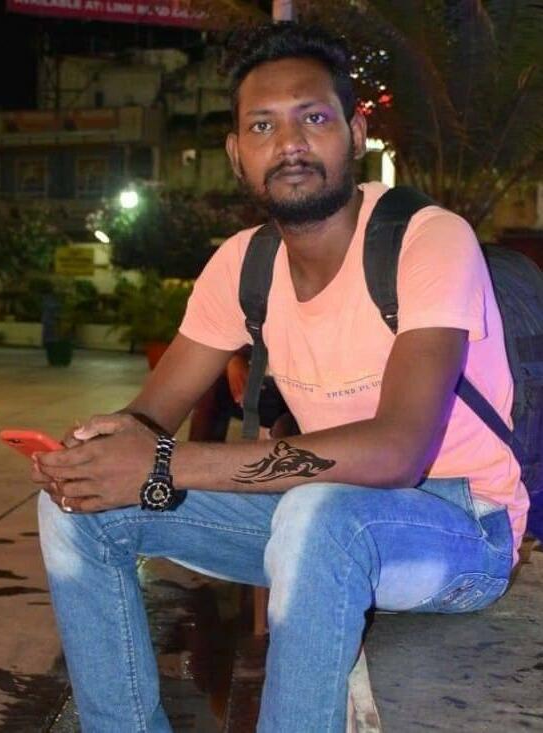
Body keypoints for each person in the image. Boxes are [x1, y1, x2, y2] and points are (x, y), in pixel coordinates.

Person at [33, 22, 529, 733]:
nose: (289, 143)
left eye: (314, 118)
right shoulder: (244, 263)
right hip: (314, 521)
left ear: (356, 134)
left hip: (460, 527)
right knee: (77, 507)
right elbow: (152, 414)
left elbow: (397, 451)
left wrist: (166, 462)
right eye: (262, 125)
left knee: (315, 514)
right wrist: (100, 449)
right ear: (237, 152)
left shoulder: (427, 238)